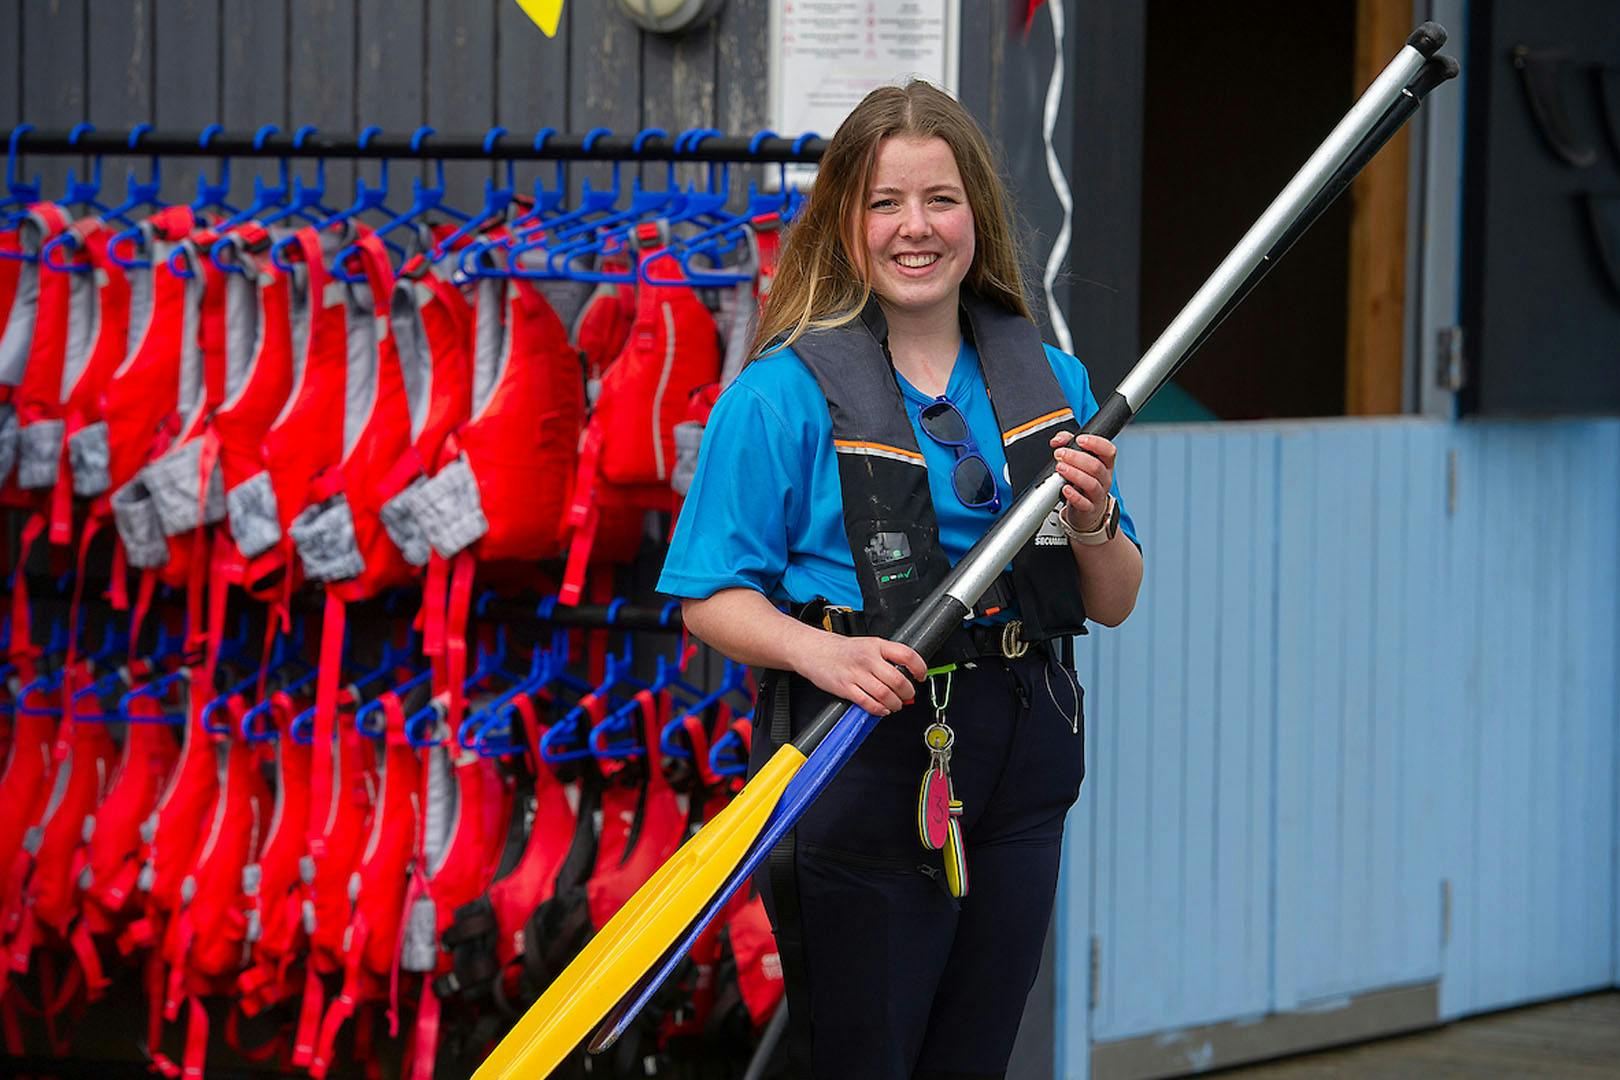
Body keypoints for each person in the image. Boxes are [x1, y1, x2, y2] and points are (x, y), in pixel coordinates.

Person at [657, 80, 1144, 1079]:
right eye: (884, 203)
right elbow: (710, 595)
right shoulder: (780, 395)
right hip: (860, 752)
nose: (914, 228)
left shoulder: (1054, 381)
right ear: (845, 222)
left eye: (939, 199)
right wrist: (820, 651)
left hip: (1021, 751)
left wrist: (1093, 522)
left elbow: (1113, 597)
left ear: (978, 215)